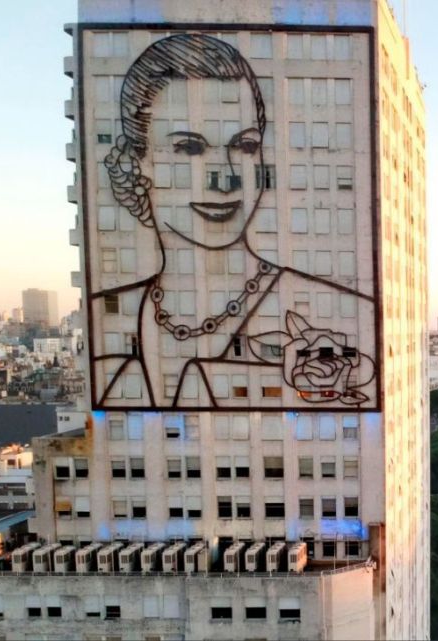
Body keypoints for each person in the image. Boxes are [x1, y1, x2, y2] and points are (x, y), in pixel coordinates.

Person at [90, 33, 375, 408]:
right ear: (137, 161)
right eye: (190, 148)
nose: (225, 176)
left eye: (244, 146)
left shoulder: (349, 307)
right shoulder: (107, 314)